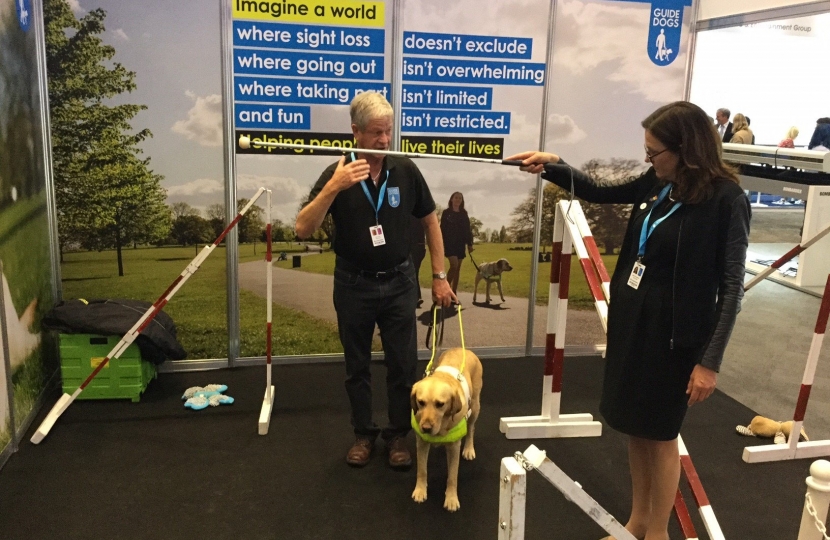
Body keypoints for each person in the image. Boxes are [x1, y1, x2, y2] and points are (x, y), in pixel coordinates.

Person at [507, 101, 750, 540]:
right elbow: (600, 189)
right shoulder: (661, 183)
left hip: (677, 340)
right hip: (633, 327)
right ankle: (638, 521)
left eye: (654, 152)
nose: (648, 160)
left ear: (686, 149)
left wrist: (709, 362)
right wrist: (555, 166)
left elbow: (733, 288)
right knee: (635, 430)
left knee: (660, 436)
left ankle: (657, 532)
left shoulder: (726, 200)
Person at [295, 92, 455, 469]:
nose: (384, 140)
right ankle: (363, 435)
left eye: (389, 132)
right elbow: (303, 228)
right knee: (358, 365)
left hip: (400, 282)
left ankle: (399, 435)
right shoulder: (337, 173)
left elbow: (431, 220)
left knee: (403, 365)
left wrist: (439, 275)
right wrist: (335, 186)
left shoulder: (404, 168)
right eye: (376, 133)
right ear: (356, 132)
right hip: (353, 285)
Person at [440, 192, 475, 298]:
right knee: (454, 265)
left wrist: (470, 244)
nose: (458, 200)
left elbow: (468, 230)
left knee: (458, 269)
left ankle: (454, 293)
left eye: (460, 198)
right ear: (451, 199)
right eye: (456, 197)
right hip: (449, 243)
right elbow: (442, 229)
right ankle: (445, 289)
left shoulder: (464, 213)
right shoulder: (446, 213)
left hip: (460, 244)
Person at [409, 214, 427, 308]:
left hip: (420, 247)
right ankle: (416, 297)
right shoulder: (408, 213)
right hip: (411, 246)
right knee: (414, 272)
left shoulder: (422, 214)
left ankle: (415, 297)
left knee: (414, 271)